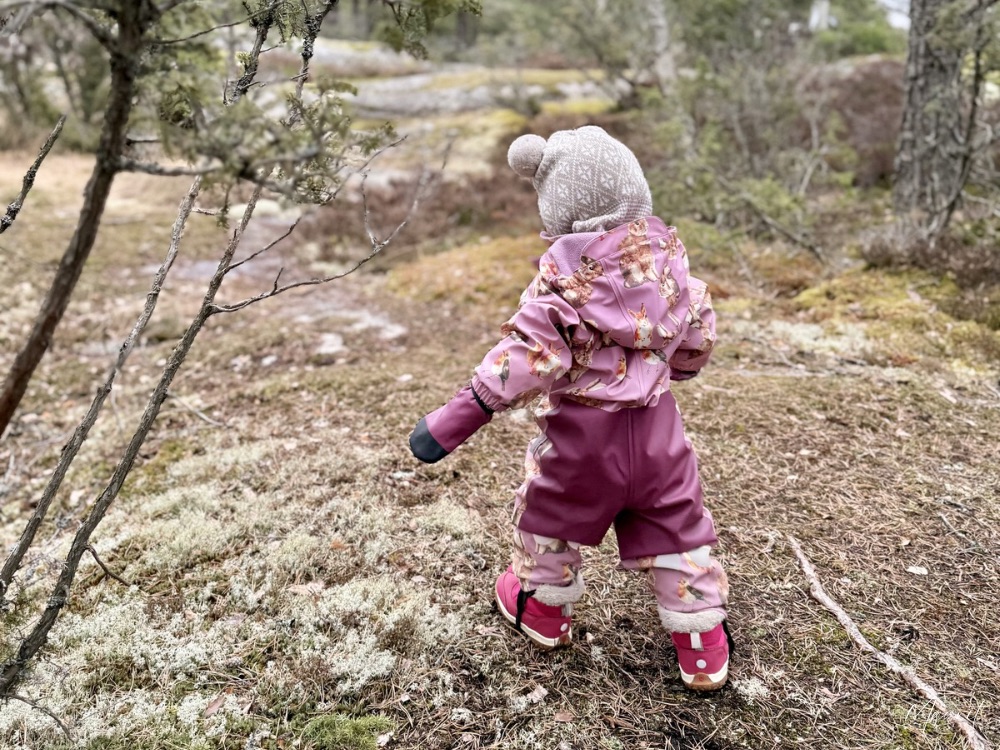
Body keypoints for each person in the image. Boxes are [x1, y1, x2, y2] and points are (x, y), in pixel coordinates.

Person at [408, 126, 732, 692]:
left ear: (559, 211)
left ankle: (541, 609)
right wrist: (678, 367)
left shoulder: (559, 289)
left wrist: (451, 421)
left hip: (581, 439)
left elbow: (518, 360)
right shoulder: (673, 269)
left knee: (548, 517)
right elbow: (699, 329)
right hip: (660, 436)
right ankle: (702, 645)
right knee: (680, 529)